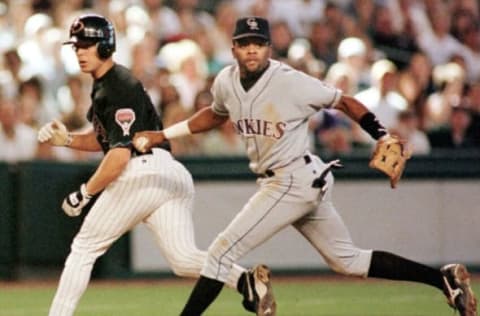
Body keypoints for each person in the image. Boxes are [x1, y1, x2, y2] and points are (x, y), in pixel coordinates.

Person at [133, 16, 478, 316]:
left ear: (269, 47)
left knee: (220, 252)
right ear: (234, 48)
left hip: (291, 179)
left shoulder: (290, 81)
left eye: (258, 43)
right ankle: (443, 280)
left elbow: (343, 101)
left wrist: (381, 133)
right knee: (347, 260)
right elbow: (214, 114)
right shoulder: (225, 81)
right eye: (244, 44)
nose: (251, 50)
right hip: (300, 179)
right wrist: (165, 133)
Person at [37, 14, 273, 316]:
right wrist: (67, 140)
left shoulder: (116, 86)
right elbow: (104, 140)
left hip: (143, 171)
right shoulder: (109, 85)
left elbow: (119, 156)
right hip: (170, 174)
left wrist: (84, 192)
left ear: (106, 46)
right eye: (77, 46)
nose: (80, 52)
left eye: (87, 45)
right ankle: (245, 280)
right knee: (182, 258)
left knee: (84, 247)